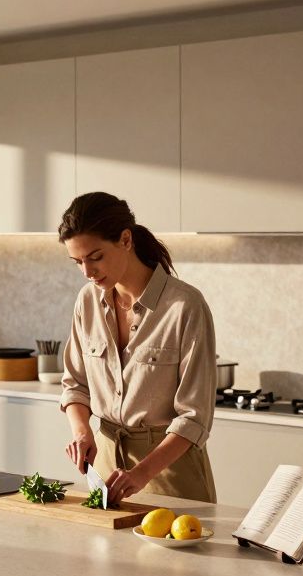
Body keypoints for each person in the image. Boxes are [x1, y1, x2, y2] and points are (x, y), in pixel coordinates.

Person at [58, 192, 218, 505]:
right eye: (78, 262)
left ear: (126, 239)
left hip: (169, 473)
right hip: (106, 469)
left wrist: (142, 472)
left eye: (96, 257)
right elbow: (75, 385)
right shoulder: (87, 301)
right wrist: (81, 432)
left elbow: (194, 417)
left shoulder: (184, 306)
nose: (87, 272)